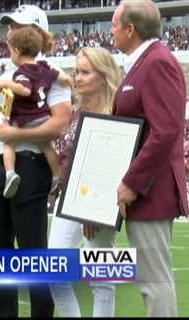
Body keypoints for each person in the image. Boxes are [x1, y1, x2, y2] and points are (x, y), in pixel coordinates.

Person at [0, 5, 71, 317]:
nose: (9, 32)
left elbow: (59, 124)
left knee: (32, 255)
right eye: (9, 26)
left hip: (28, 165)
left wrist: (15, 135)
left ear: (36, 31)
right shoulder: (8, 75)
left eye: (16, 26)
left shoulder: (50, 74)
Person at [111, 0, 188, 317]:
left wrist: (131, 182)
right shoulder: (143, 63)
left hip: (150, 190)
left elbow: (166, 130)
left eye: (114, 24)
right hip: (144, 189)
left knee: (154, 281)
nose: (111, 31)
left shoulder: (157, 62)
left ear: (131, 29)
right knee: (150, 279)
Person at [48, 47, 121, 317]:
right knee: (55, 271)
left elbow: (113, 165)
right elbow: (65, 162)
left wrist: (93, 210)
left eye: (85, 72)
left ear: (103, 76)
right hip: (67, 198)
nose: (78, 77)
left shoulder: (117, 111)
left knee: (100, 277)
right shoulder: (75, 112)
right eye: (77, 71)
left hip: (99, 203)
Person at [0, 26, 72, 198]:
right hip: (43, 115)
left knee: (8, 142)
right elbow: (59, 76)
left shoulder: (22, 72)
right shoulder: (44, 67)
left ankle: (10, 173)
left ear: (16, 50)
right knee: (47, 146)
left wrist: (8, 84)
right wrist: (67, 79)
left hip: (25, 117)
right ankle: (56, 175)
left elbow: (24, 90)